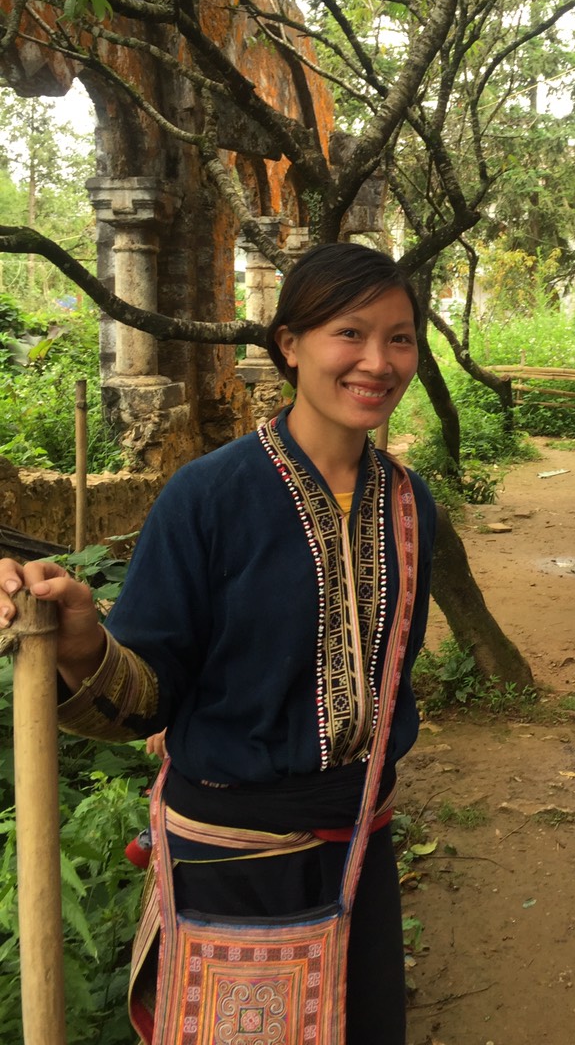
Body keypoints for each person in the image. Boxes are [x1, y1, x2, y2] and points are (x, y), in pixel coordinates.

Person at [0, 240, 436, 1045]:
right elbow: (146, 698)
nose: (378, 361)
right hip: (235, 860)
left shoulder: (408, 506)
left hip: (361, 843)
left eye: (400, 338)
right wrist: (82, 645)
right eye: (350, 333)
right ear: (290, 344)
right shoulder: (208, 497)